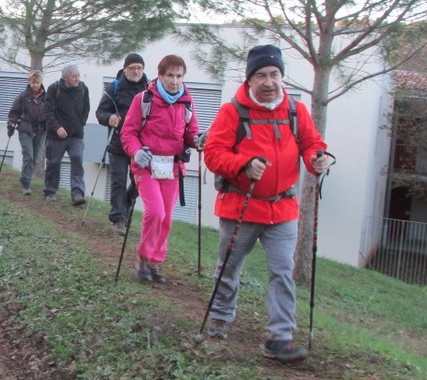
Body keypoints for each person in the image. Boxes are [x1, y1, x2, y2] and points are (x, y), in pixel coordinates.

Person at [203, 44, 332, 363]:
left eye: (274, 74)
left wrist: (316, 158)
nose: (269, 81)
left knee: (283, 271)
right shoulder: (233, 111)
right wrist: (243, 165)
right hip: (241, 206)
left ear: (281, 76)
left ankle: (280, 336)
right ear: (250, 79)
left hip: (283, 207)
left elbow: (311, 142)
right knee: (229, 266)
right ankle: (220, 314)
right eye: (261, 75)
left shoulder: (295, 110)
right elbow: (213, 153)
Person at [119, 54, 199, 284]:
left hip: (173, 168)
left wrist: (199, 140)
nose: (174, 81)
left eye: (179, 76)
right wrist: (136, 152)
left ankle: (154, 260)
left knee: (166, 220)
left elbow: (191, 133)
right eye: (170, 75)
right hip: (147, 166)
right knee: (156, 212)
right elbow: (128, 132)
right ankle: (143, 257)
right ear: (160, 75)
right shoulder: (143, 99)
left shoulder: (186, 102)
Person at [96, 53, 149, 235]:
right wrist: (108, 118)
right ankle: (118, 219)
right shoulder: (115, 87)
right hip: (118, 143)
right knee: (118, 181)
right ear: (125, 69)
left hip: (140, 146)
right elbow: (100, 112)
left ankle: (125, 208)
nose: (136, 71)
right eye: (132, 68)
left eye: (139, 68)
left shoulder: (149, 89)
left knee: (138, 184)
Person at [42, 63, 90, 205]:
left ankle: (77, 193)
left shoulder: (83, 88)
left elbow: (86, 108)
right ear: (65, 78)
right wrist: (57, 127)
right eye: (73, 76)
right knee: (53, 163)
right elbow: (47, 111)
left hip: (76, 135)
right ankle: (50, 191)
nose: (77, 79)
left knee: (77, 161)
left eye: (78, 75)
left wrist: (81, 123)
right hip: (56, 136)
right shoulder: (54, 89)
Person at [6, 70, 47, 195]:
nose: (35, 85)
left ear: (41, 82)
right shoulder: (23, 96)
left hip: (40, 130)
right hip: (25, 128)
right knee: (28, 155)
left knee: (34, 158)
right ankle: (26, 183)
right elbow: (14, 112)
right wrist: (11, 125)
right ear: (29, 82)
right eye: (33, 82)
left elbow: (50, 113)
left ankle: (25, 176)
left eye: (37, 82)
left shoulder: (46, 97)